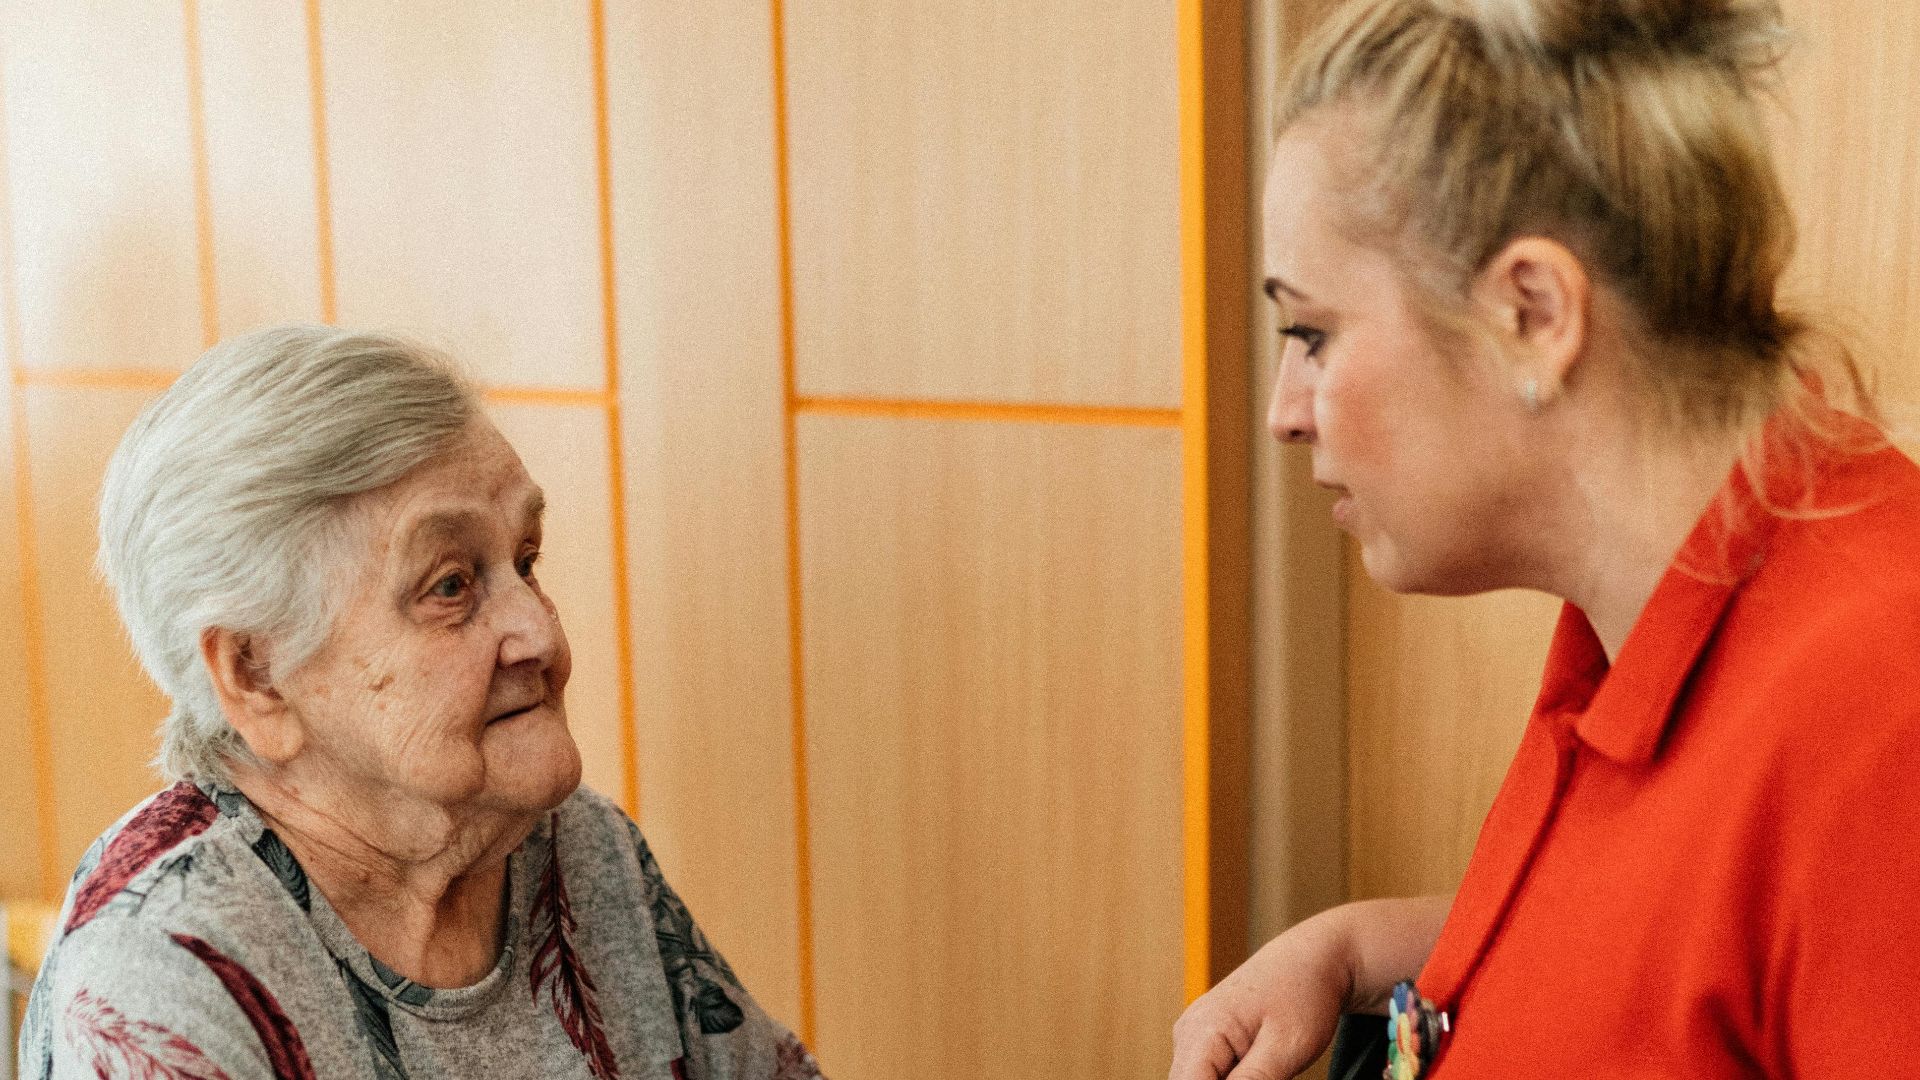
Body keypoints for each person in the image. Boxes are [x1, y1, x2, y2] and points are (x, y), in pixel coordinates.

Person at [1170, 0, 1920, 1077]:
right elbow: (1695, 952)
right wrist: (1369, 949)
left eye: (1314, 332)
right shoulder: (1649, 612)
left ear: (1531, 311)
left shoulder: (1880, 701)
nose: (1286, 411)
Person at [19, 326, 824, 1080]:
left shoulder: (575, 847)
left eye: (526, 561)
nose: (538, 631)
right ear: (258, 675)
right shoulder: (162, 973)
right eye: (450, 586)